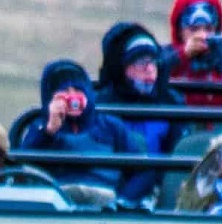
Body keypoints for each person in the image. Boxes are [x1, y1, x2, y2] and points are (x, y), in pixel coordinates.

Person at [20, 58, 154, 205]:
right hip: (58, 200)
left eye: (78, 90)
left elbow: (143, 171)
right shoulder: (40, 126)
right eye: (64, 91)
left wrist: (123, 201)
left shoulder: (110, 126)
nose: (72, 97)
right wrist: (49, 131)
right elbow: (24, 168)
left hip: (104, 200)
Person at [95, 22, 183, 154]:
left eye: (153, 62)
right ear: (121, 68)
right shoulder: (102, 105)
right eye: (140, 62)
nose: (149, 69)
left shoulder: (171, 102)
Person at [166, 0, 222, 105]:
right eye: (194, 29)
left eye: (208, 29)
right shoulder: (167, 56)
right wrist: (182, 55)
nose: (202, 35)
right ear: (180, 31)